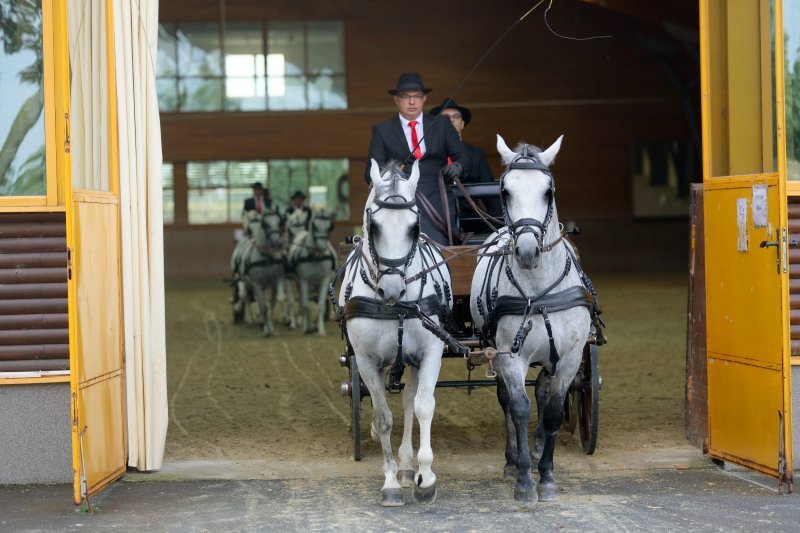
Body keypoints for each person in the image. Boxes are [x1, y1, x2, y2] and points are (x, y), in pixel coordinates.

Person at [365, 72, 470, 245]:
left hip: (438, 195)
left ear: (424, 99)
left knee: (440, 250)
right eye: (406, 97)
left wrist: (458, 166)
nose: (412, 102)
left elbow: (464, 156)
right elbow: (370, 171)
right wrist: (392, 178)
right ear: (396, 100)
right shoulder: (382, 130)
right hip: (400, 199)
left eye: (417, 96)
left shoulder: (442, 124)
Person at [429, 99, 501, 234]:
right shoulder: (427, 154)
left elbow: (491, 198)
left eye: (455, 117)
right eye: (445, 118)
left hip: (471, 219)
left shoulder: (477, 154)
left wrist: (498, 225)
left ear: (462, 124)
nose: (450, 120)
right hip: (437, 219)